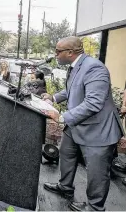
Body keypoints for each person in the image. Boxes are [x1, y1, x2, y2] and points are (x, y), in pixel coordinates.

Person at [41, 36, 125, 211]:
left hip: (98, 129)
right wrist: (54, 97)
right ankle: (65, 188)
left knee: (97, 173)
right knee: (66, 153)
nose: (55, 55)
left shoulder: (94, 68)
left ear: (70, 53)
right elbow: (74, 88)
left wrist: (62, 117)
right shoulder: (77, 66)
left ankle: (95, 207)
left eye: (58, 51)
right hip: (78, 124)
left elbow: (93, 103)